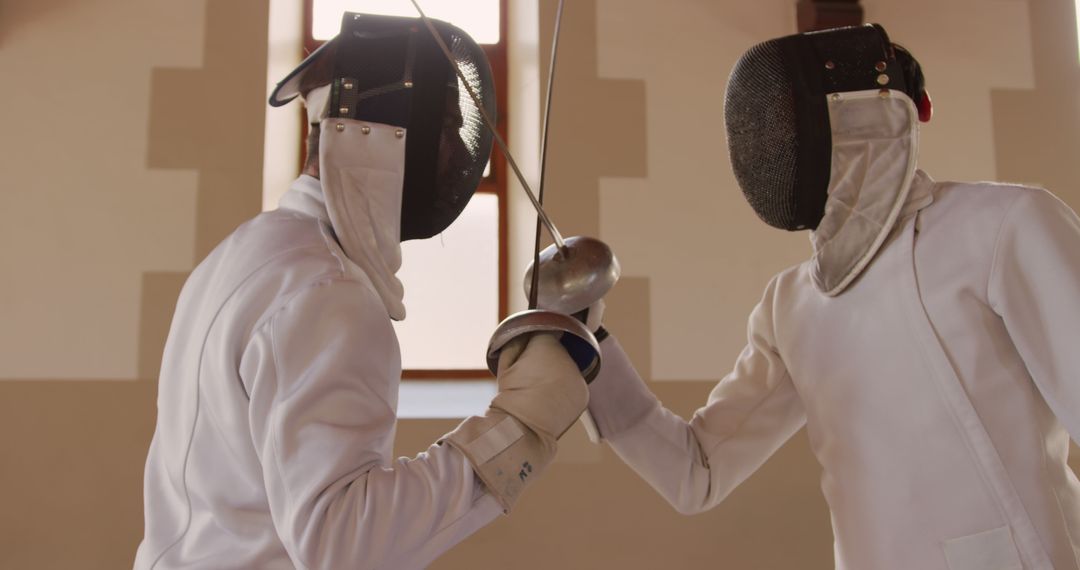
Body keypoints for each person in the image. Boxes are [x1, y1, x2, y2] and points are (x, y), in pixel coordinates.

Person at [585, 24, 1080, 569]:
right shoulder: (792, 305)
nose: (769, 148)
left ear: (865, 117)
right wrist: (587, 349)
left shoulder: (1003, 227)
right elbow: (695, 473)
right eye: (763, 135)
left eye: (783, 127)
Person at [135, 13, 588, 569]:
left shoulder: (250, 250)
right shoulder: (328, 294)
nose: (457, 150)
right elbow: (345, 545)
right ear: (395, 134)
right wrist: (519, 425)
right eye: (445, 126)